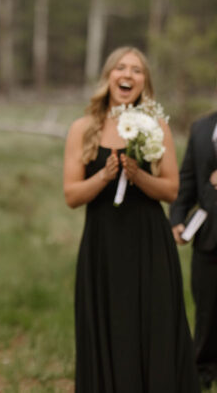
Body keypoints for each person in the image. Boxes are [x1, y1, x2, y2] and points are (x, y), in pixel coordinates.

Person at [62, 46, 198, 392]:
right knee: (111, 325)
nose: (128, 75)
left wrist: (139, 177)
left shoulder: (156, 126)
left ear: (144, 82)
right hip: (103, 244)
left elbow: (171, 190)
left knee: (153, 325)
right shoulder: (82, 128)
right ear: (109, 77)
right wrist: (104, 178)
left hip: (149, 243)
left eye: (136, 70)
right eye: (121, 68)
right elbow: (72, 196)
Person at [171, 86, 217, 389]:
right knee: (207, 309)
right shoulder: (201, 129)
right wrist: (176, 218)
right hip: (208, 240)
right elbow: (186, 179)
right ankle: (202, 372)